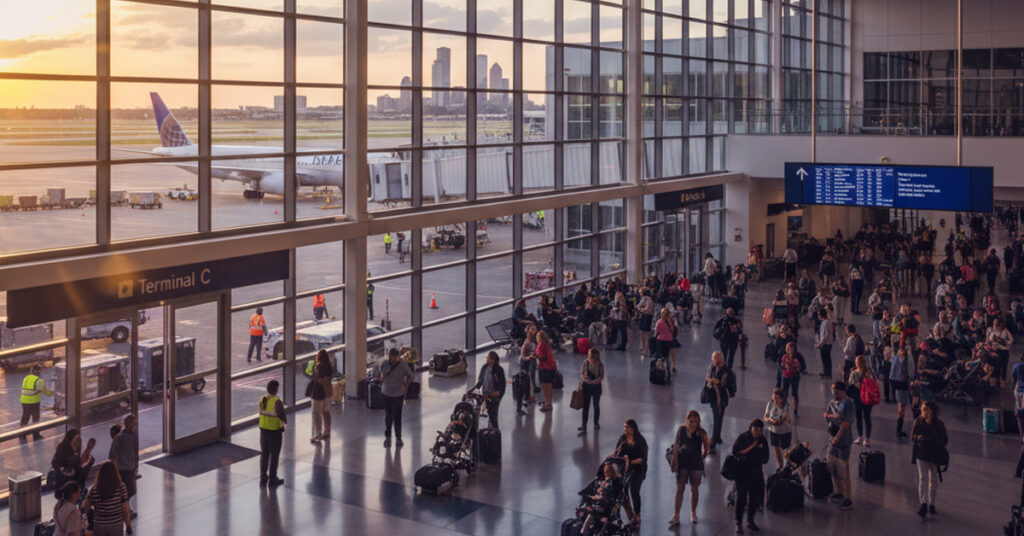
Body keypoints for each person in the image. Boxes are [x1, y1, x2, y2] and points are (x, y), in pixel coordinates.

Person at [668, 410, 711, 526]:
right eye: (691, 421)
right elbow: (676, 445)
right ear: (687, 420)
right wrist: (674, 460)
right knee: (680, 488)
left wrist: (703, 456)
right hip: (683, 462)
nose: (693, 424)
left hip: (696, 464)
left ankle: (693, 513)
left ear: (698, 422)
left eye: (695, 422)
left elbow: (707, 446)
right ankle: (676, 515)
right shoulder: (681, 430)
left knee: (694, 489)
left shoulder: (701, 432)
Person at [731, 419, 770, 534]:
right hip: (742, 473)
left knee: (754, 499)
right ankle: (738, 522)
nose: (757, 433)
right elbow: (735, 451)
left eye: (759, 431)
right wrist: (748, 452)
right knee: (741, 498)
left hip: (756, 473)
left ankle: (750, 520)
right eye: (755, 430)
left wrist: (759, 458)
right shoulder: (743, 437)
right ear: (751, 428)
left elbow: (766, 457)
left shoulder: (762, 440)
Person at [912, 401, 949, 518]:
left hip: (933, 454)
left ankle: (931, 503)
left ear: (932, 411)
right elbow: (912, 435)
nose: (923, 411)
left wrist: (928, 440)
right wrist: (917, 438)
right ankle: (923, 503)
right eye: (922, 409)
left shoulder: (939, 425)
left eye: (925, 409)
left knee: (933, 479)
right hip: (922, 454)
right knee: (923, 478)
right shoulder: (918, 421)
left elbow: (944, 440)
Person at [823, 380, 855, 510]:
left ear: (842, 391)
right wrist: (829, 417)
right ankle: (839, 491)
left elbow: (846, 423)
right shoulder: (832, 403)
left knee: (843, 469)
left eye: (836, 391)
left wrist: (837, 437)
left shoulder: (848, 404)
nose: (834, 394)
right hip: (832, 441)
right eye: (833, 392)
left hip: (843, 441)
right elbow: (828, 416)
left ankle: (848, 498)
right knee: (833, 467)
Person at [614, 419, 648, 525]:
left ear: (633, 429)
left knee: (634, 491)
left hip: (637, 469)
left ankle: (637, 514)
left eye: (627, 427)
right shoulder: (622, 438)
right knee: (622, 492)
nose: (625, 430)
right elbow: (617, 454)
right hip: (624, 468)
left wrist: (630, 462)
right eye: (624, 427)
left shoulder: (640, 440)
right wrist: (622, 461)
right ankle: (624, 514)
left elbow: (642, 458)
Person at [82, 461, 130, 536]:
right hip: (116, 523)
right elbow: (125, 509)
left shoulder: (93, 489)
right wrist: (128, 524)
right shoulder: (121, 487)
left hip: (100, 525)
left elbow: (85, 508)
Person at [379, 348, 413, 447]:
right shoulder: (385, 363)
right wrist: (382, 377)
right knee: (388, 416)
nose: (392, 360)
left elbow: (410, 375)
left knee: (397, 417)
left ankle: (398, 438)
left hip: (398, 394)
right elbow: (381, 376)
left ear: (398, 357)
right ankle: (388, 437)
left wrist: (406, 387)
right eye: (391, 357)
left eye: (394, 358)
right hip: (386, 393)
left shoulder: (403, 365)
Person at [108, 415, 139, 518]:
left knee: (131, 490)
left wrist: (136, 464)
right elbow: (112, 455)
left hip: (130, 468)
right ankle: (125, 510)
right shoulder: (120, 437)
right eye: (134, 424)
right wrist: (116, 471)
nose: (135, 426)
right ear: (129, 424)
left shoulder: (133, 435)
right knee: (127, 491)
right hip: (123, 469)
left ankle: (125, 509)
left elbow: (134, 449)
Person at [51, 429, 96, 500]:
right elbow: (79, 472)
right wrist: (89, 463)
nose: (79, 441)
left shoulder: (61, 450)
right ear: (73, 440)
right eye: (77, 439)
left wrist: (87, 450)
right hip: (72, 487)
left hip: (60, 485)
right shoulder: (72, 455)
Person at [258, 380, 287, 486]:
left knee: (264, 454)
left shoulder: (263, 398)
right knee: (274, 456)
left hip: (263, 430)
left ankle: (263, 477)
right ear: (276, 389)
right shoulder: (277, 401)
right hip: (275, 431)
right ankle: (273, 478)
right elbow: (282, 416)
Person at [705, 351, 733, 450]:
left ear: (723, 359)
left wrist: (718, 382)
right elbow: (707, 378)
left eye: (719, 358)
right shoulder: (711, 367)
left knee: (718, 416)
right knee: (718, 416)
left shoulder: (726, 370)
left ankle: (714, 439)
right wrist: (713, 381)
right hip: (713, 395)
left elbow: (724, 384)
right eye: (715, 359)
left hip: (722, 398)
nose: (717, 361)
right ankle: (717, 437)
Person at [471, 351, 506, 429]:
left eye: (488, 357)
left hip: (494, 396)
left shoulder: (499, 370)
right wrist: (472, 390)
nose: (486, 359)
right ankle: (490, 429)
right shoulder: (484, 367)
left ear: (493, 360)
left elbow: (501, 387)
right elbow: (480, 381)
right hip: (486, 394)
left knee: (493, 415)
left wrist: (495, 395)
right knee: (488, 412)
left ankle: (495, 431)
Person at [847, 355, 876, 447]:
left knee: (859, 417)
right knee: (867, 418)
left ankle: (860, 437)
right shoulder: (869, 373)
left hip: (857, 397)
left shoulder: (854, 373)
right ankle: (867, 439)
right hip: (868, 398)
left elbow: (850, 384)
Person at [21, 363, 53, 438]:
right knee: (36, 418)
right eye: (41, 370)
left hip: (24, 401)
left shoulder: (27, 377)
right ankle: (36, 435)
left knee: (25, 417)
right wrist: (53, 393)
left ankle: (22, 433)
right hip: (34, 401)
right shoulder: (39, 380)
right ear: (38, 371)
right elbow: (45, 392)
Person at [764, 388, 793, 468]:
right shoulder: (770, 404)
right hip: (773, 430)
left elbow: (790, 420)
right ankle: (780, 466)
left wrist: (785, 419)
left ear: (782, 398)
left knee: (785, 449)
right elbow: (766, 417)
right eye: (774, 399)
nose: (775, 401)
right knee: (776, 448)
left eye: (777, 399)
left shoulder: (787, 407)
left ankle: (788, 465)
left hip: (784, 431)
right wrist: (771, 420)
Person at [890, 347, 915, 438]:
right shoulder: (901, 359)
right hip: (902, 385)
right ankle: (898, 430)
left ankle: (899, 429)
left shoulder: (897, 358)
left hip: (901, 385)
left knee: (903, 408)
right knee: (902, 409)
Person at [579, 348, 605, 432]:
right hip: (586, 386)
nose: (592, 360)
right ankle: (584, 425)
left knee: (596, 405)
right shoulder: (586, 362)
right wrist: (586, 379)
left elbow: (601, 376)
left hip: (596, 387)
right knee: (585, 406)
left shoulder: (600, 365)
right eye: (591, 358)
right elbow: (582, 373)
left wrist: (594, 381)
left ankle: (596, 423)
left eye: (594, 358)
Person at [310, 349, 334, 442]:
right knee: (326, 412)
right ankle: (327, 431)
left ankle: (317, 434)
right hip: (328, 393)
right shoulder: (330, 367)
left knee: (316, 414)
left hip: (318, 393)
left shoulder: (318, 367)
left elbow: (318, 380)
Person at [779, 342, 804, 417]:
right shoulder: (784, 356)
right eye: (787, 348)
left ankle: (795, 410)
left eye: (791, 348)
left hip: (794, 376)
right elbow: (781, 364)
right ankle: (784, 408)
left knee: (795, 393)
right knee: (784, 393)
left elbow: (803, 366)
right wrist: (784, 368)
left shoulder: (798, 356)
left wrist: (796, 369)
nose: (789, 350)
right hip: (786, 376)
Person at [535, 330, 557, 412]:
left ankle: (548, 404)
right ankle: (548, 402)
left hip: (545, 367)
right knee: (549, 385)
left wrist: (535, 356)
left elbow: (542, 357)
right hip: (552, 366)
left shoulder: (541, 345)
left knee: (545, 385)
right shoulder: (547, 344)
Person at [816, 309, 835, 379]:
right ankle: (826, 372)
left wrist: (820, 344)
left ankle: (827, 374)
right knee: (826, 359)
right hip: (828, 343)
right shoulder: (827, 322)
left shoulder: (825, 323)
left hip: (825, 344)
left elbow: (825, 335)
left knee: (825, 359)